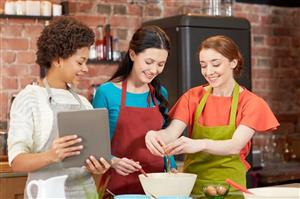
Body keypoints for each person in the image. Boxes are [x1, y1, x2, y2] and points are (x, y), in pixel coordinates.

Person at [145, 35, 279, 195]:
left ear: (233, 62)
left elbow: (235, 145)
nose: (208, 72)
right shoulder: (193, 97)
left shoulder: (251, 103)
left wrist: (200, 144)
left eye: (215, 64)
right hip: (192, 188)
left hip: (230, 190)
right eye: (203, 65)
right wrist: (155, 136)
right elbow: (171, 133)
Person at [7, 16, 110, 198]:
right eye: (80, 62)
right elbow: (16, 162)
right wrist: (51, 155)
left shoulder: (83, 102)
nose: (85, 69)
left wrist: (99, 166)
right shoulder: (29, 99)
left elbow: (91, 159)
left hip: (86, 194)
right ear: (58, 59)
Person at [92, 25, 177, 194]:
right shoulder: (107, 93)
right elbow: (94, 146)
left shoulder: (160, 94)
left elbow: (164, 139)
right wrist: (113, 161)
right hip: (117, 186)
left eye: (161, 64)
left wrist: (172, 168)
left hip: (157, 187)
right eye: (149, 62)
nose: (154, 70)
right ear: (132, 55)